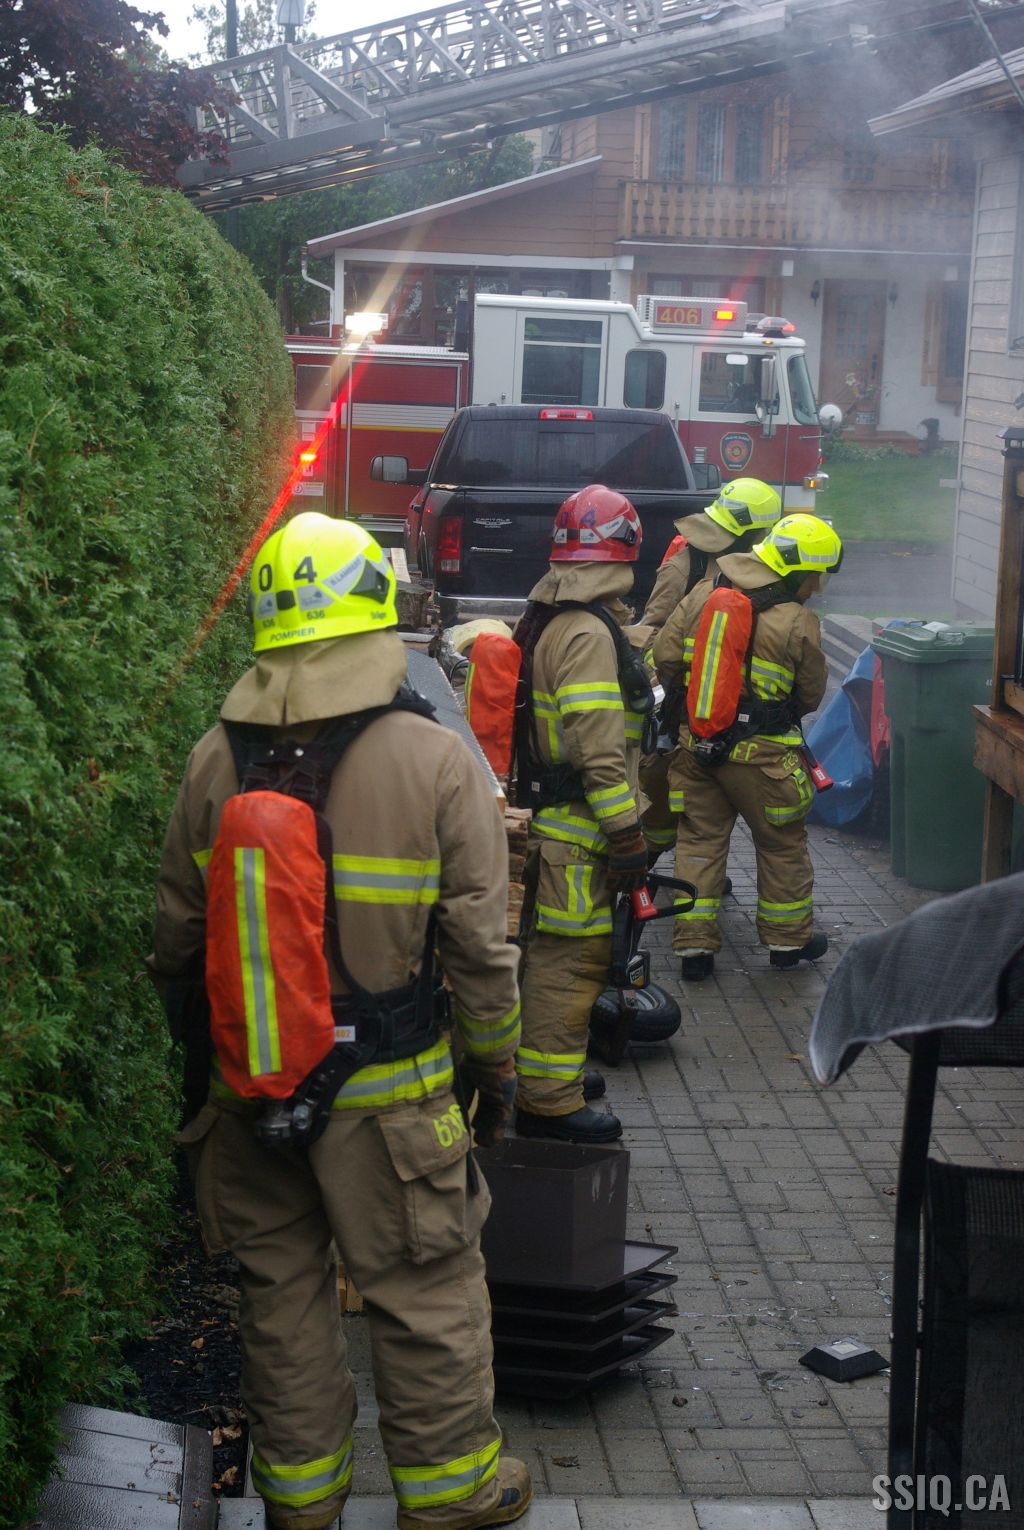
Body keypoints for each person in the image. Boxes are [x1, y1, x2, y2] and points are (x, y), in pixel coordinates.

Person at [148, 512, 530, 1530]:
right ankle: (452, 1497)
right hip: (392, 1110)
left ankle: (304, 1504)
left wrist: (216, 1064)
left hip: (248, 1095)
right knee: (424, 1297)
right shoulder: (435, 759)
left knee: (279, 1301)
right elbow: (479, 949)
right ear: (376, 613)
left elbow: (176, 943)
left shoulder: (212, 760)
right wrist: (497, 1070)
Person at [513, 484, 652, 1144]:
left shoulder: (556, 619)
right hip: (577, 832)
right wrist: (626, 834)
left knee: (545, 959)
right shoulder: (589, 635)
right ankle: (548, 1100)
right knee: (569, 965)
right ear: (626, 549)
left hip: (554, 823)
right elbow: (598, 747)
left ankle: (546, 1074)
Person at [652, 513, 842, 981]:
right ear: (795, 572)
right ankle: (787, 943)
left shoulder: (705, 591)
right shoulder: (797, 620)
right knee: (781, 845)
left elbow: (665, 656)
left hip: (697, 748)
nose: (816, 587)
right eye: (815, 577)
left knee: (699, 841)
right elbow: (810, 694)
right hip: (765, 760)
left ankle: (694, 948)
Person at [639, 478, 783, 862]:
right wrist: (665, 693)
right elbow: (651, 635)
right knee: (663, 799)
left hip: (732, 707)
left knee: (707, 811)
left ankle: (695, 875)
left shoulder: (758, 570)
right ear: (751, 531)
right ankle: (643, 869)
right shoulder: (684, 567)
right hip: (680, 706)